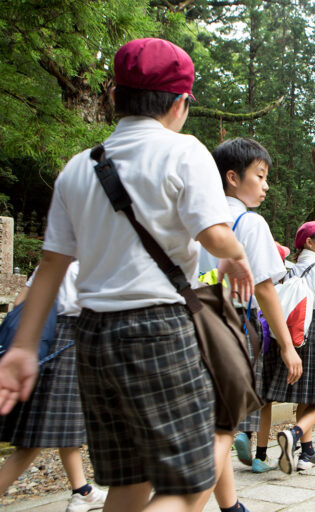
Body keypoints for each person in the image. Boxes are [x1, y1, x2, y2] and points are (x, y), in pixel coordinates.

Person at [0, 38, 255, 512]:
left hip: (92, 337)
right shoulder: (183, 152)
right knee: (191, 479)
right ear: (180, 102)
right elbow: (215, 235)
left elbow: (52, 267)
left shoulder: (79, 167)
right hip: (158, 328)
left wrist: (22, 348)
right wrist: (237, 254)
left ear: (116, 97)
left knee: (131, 479)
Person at [197, 138, 302, 511]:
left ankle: (230, 505)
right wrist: (287, 345)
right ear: (232, 177)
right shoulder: (249, 222)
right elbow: (264, 289)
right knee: (222, 427)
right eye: (260, 176)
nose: (266, 185)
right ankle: (187, 501)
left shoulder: (196, 215)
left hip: (188, 320)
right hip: (228, 325)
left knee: (214, 420)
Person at [0, 262, 107, 512]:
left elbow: (19, 303)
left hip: (41, 339)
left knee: (64, 428)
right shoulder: (92, 259)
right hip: (68, 345)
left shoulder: (52, 259)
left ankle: (83, 491)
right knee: (34, 440)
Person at [271, 222, 315, 474]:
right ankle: (294, 434)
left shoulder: (292, 270)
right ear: (308, 242)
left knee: (305, 396)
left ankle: (307, 452)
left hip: (295, 334)